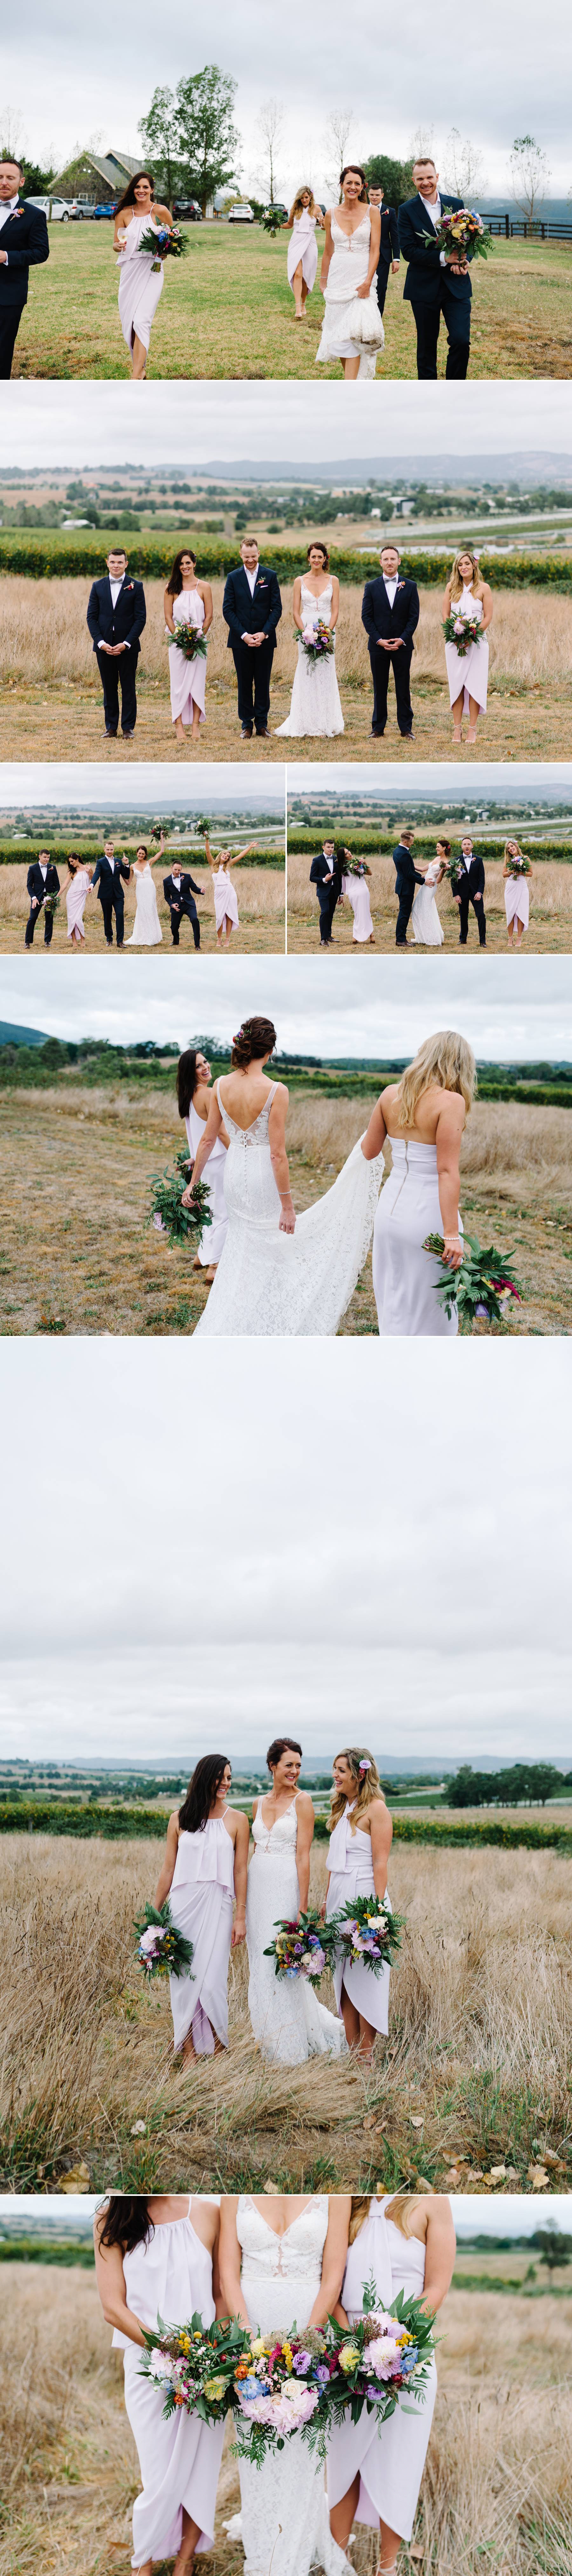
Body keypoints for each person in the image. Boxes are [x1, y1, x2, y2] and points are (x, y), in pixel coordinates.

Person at [184, 1014, 383, 1338]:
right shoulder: (277, 1090)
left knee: (244, 1242)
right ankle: (266, 1320)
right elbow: (277, 1154)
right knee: (273, 1247)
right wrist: (288, 1206)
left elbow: (207, 1140)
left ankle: (243, 1310)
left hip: (235, 1174)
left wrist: (194, 1184)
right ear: (270, 1050)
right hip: (263, 1176)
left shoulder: (220, 1085)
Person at [219, 2194, 351, 2576]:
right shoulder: (234, 2193)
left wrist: (307, 2344)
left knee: (304, 2450)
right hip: (251, 2326)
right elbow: (228, 2271)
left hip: (309, 2325)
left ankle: (292, 2557)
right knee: (255, 2445)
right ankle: (264, 2556)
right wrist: (247, 2340)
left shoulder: (335, 2196)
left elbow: (334, 2275)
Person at [94, 2193, 226, 2576]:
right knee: (157, 2472)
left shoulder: (207, 2211)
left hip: (205, 2363)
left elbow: (218, 2294)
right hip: (147, 2364)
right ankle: (144, 2564)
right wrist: (170, 2350)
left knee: (200, 2467)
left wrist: (216, 2353)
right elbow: (113, 2308)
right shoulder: (112, 2217)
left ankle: (185, 2563)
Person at [327, 2191, 456, 2576]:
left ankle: (388, 2568)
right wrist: (351, 2343)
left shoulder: (433, 2202)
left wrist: (397, 2341)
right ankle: (337, 2562)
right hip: (347, 2350)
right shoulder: (346, 2201)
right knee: (342, 2460)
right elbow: (330, 2282)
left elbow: (436, 2287)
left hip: (407, 2350)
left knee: (399, 2460)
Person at [361, 1031, 474, 1336]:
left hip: (390, 1211)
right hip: (428, 1217)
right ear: (459, 1065)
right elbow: (447, 1171)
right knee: (432, 1306)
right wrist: (451, 1234)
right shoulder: (452, 1102)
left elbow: (369, 1151)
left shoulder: (389, 1094)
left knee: (394, 1294)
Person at [246, 1737, 345, 2063]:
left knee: (281, 1960)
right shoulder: (258, 1803)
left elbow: (304, 1857)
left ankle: (291, 2046)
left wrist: (302, 1911)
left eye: (299, 1765)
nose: (295, 1771)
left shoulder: (303, 1802)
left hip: (286, 1886)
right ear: (272, 1766)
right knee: (260, 1965)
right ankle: (268, 2037)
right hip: (258, 1885)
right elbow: (253, 1850)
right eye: (289, 1765)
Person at [153, 1755, 249, 2062]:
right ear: (203, 1778)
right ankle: (189, 2051)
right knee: (184, 1979)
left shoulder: (238, 1821)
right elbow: (168, 1870)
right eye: (220, 1777)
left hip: (219, 1905)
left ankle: (220, 2047)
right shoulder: (178, 1819)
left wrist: (240, 1916)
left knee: (213, 1980)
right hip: (184, 1906)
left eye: (229, 1778)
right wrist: (154, 1915)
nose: (225, 1784)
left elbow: (240, 1872)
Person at [324, 1751, 393, 2057]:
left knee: (366, 1979)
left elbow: (380, 1863)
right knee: (344, 1978)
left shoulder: (376, 1809)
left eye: (341, 1771)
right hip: (340, 1898)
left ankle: (366, 2057)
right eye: (335, 1770)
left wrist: (376, 1915)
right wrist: (327, 1900)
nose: (335, 1776)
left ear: (359, 1774)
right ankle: (354, 2056)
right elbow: (333, 1865)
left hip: (365, 1900)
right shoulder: (343, 1809)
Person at [398, 155, 473, 379]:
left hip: (456, 286)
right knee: (427, 346)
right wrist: (443, 258)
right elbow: (408, 251)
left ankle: (455, 391)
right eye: (420, 179)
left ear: (437, 177)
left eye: (430, 177)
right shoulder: (406, 210)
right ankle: (429, 395)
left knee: (461, 340)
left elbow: (468, 239)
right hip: (423, 287)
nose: (426, 182)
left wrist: (464, 259)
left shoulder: (456, 205)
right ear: (414, 181)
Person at [317, 165, 383, 379]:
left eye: (357, 183)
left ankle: (350, 389)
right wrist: (323, 282)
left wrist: (367, 282)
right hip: (337, 282)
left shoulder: (373, 212)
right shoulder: (331, 214)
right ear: (342, 185)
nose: (353, 187)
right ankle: (356, 384)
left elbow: (376, 250)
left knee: (356, 335)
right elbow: (328, 252)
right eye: (349, 183)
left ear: (363, 187)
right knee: (340, 336)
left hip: (362, 281)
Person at [276, 542, 344, 737]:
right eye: (313, 557)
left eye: (320, 557)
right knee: (307, 672)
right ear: (309, 559)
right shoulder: (299, 581)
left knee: (325, 672)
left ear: (325, 559)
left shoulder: (334, 580)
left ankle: (325, 722)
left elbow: (336, 610)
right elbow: (296, 612)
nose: (316, 560)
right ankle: (305, 721)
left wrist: (328, 633)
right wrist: (305, 635)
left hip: (327, 632)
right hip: (305, 632)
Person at [176, 1045, 229, 1283]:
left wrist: (194, 1158)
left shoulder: (188, 1096)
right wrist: (239, 1154)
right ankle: (215, 1267)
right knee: (223, 1214)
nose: (206, 1067)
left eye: (205, 1062)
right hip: (218, 1161)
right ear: (191, 1071)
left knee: (210, 1210)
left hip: (205, 1163)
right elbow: (221, 1134)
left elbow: (197, 1133)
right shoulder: (208, 1095)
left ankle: (201, 1257)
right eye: (199, 1066)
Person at [113, 170, 173, 378]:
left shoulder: (161, 212)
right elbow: (115, 243)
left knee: (141, 321)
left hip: (152, 270)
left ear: (152, 190)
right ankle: (141, 369)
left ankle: (136, 375)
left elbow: (172, 240)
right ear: (133, 189)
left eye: (145, 187)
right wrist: (118, 247)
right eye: (138, 187)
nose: (141, 190)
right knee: (129, 322)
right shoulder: (123, 214)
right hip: (130, 272)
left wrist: (166, 251)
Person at [222, 539, 282, 739]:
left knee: (264, 683)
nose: (250, 560)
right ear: (241, 555)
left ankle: (262, 725)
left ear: (259, 554)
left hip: (265, 640)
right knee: (245, 683)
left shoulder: (270, 576)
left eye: (253, 556)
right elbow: (228, 610)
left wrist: (264, 634)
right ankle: (246, 725)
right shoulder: (233, 578)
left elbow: (277, 609)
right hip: (241, 641)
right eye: (247, 556)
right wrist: (245, 635)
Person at [86, 549, 146, 739]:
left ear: (126, 564)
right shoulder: (98, 586)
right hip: (104, 647)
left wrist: (127, 643)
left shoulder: (136, 586)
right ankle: (111, 728)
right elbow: (91, 618)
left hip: (127, 648)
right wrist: (102, 643)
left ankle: (128, 728)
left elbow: (141, 619)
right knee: (109, 687)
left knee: (129, 687)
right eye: (113, 562)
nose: (116, 566)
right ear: (107, 563)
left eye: (120, 563)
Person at [361, 548, 420, 739]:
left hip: (403, 646)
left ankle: (406, 728)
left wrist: (403, 639)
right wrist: (379, 640)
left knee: (403, 686)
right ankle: (378, 728)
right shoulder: (371, 587)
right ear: (380, 562)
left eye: (393, 559)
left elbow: (414, 617)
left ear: (399, 561)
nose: (389, 562)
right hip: (378, 645)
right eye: (386, 559)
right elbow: (367, 617)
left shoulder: (410, 586)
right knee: (380, 687)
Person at [0, 157, 49, 379]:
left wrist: (7, 256)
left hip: (9, 295)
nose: (4, 182)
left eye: (11, 178)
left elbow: (41, 252)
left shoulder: (33, 215)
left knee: (2, 349)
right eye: (0, 177)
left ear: (21, 182)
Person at [443, 549, 493, 743]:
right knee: (457, 684)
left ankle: (472, 729)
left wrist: (473, 636)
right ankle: (457, 730)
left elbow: (488, 616)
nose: (463, 567)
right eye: (460, 564)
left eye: (467, 564)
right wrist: (454, 634)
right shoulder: (450, 587)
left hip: (478, 642)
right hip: (454, 642)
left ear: (474, 565)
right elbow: (446, 615)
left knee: (474, 685)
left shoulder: (484, 588)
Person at [164, 548, 213, 744]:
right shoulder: (171, 588)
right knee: (179, 684)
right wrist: (181, 639)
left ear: (194, 564)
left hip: (199, 644)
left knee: (197, 684)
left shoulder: (205, 587)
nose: (185, 567)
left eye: (188, 563)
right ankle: (178, 725)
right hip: (177, 644)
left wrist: (197, 640)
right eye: (181, 564)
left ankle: (195, 725)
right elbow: (168, 617)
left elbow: (209, 617)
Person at [284, 185, 323, 319]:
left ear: (311, 197)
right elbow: (289, 225)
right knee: (298, 274)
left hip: (310, 242)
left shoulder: (317, 209)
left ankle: (304, 303)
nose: (304, 200)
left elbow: (323, 227)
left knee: (306, 275)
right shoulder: (295, 209)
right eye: (302, 198)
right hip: (296, 241)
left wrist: (323, 223)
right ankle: (297, 306)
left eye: (306, 197)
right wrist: (276, 224)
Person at [367, 182, 400, 318]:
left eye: (377, 195)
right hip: (365, 254)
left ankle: (377, 318)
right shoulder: (363, 210)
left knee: (381, 287)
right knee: (365, 286)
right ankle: (365, 315)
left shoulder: (390, 212)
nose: (374, 197)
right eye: (372, 195)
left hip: (383, 257)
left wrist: (396, 259)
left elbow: (395, 236)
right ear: (368, 195)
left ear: (382, 196)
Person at [91, 838, 131, 947]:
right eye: (108, 849)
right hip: (105, 894)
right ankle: (109, 939)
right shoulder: (101, 862)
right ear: (104, 850)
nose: (110, 851)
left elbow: (127, 876)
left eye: (112, 849)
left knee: (120, 915)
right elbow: (97, 875)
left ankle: (120, 942)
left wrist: (127, 865)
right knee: (107, 917)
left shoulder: (119, 861)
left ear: (114, 850)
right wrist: (92, 885)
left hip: (118, 894)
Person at [391, 828, 425, 947]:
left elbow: (409, 871)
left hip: (402, 886)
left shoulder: (397, 851)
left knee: (404, 913)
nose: (413, 844)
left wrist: (421, 876)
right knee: (404, 914)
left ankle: (401, 939)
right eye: (412, 842)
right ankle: (401, 940)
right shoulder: (404, 854)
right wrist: (424, 881)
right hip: (406, 888)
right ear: (406, 842)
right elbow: (409, 874)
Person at [126, 841, 164, 946]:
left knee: (151, 909)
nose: (141, 855)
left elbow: (162, 851)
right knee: (142, 910)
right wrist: (121, 872)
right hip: (140, 889)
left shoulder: (149, 863)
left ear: (145, 855)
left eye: (143, 854)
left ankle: (152, 936)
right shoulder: (132, 867)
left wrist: (162, 839)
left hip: (150, 887)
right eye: (140, 853)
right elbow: (128, 882)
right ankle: (142, 936)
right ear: (137, 853)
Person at [411, 840, 447, 947]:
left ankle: (432, 938)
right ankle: (422, 937)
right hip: (425, 884)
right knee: (417, 909)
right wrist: (409, 864)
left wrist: (444, 871)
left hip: (431, 886)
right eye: (436, 847)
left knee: (425, 909)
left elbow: (439, 880)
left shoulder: (445, 863)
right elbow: (422, 869)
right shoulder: (437, 859)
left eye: (438, 847)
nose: (437, 849)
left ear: (444, 848)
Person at [454, 833, 487, 947]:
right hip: (462, 894)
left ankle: (483, 941)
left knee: (481, 916)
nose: (467, 846)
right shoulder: (456, 861)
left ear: (472, 846)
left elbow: (482, 879)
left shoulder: (479, 860)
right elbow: (454, 880)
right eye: (465, 844)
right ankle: (463, 939)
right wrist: (456, 895)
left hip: (476, 893)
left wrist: (480, 892)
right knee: (463, 916)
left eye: (469, 844)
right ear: (462, 847)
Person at [310, 839, 344, 946]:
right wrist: (325, 880)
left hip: (334, 892)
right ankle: (323, 939)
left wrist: (341, 894)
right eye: (329, 847)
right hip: (323, 892)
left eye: (333, 847)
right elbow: (312, 878)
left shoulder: (336, 860)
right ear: (323, 847)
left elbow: (339, 878)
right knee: (325, 912)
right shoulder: (317, 860)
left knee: (330, 914)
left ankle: (329, 936)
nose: (331, 849)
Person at [163, 859, 204, 948]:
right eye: (175, 870)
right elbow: (167, 896)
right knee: (174, 928)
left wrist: (201, 891)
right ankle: (176, 941)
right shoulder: (166, 881)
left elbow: (195, 888)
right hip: (177, 906)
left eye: (179, 870)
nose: (177, 872)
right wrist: (172, 905)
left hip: (189, 904)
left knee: (195, 920)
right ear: (172, 868)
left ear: (181, 870)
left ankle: (197, 945)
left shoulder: (187, 877)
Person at [24, 848, 60, 948]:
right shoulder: (33, 868)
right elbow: (29, 885)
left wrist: (54, 897)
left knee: (49, 919)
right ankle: (27, 942)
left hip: (50, 897)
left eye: (48, 857)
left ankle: (48, 941)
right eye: (45, 857)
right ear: (40, 857)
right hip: (37, 897)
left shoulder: (53, 868)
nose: (47, 859)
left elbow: (57, 885)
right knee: (33, 918)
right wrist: (34, 898)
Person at [339, 849, 375, 943]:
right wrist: (364, 864)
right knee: (366, 913)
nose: (349, 853)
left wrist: (365, 863)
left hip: (355, 892)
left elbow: (370, 873)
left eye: (349, 851)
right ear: (344, 857)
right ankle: (371, 936)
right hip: (361, 891)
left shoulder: (342, 867)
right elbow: (370, 874)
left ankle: (356, 937)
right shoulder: (354, 864)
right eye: (346, 854)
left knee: (358, 914)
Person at [503, 838, 532, 947]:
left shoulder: (526, 859)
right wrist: (511, 871)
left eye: (512, 846)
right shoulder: (508, 861)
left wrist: (522, 872)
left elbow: (531, 873)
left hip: (522, 886)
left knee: (520, 913)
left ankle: (519, 939)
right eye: (508, 848)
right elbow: (504, 874)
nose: (511, 849)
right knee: (511, 913)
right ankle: (510, 939)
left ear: (516, 846)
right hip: (511, 887)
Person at [62, 850, 93, 948]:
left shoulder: (87, 868)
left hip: (82, 897)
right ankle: (74, 941)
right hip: (71, 897)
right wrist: (56, 896)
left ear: (77, 859)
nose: (71, 864)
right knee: (72, 920)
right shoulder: (71, 872)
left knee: (78, 919)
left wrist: (89, 873)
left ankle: (83, 940)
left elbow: (93, 881)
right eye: (70, 862)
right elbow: (65, 885)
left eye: (72, 861)